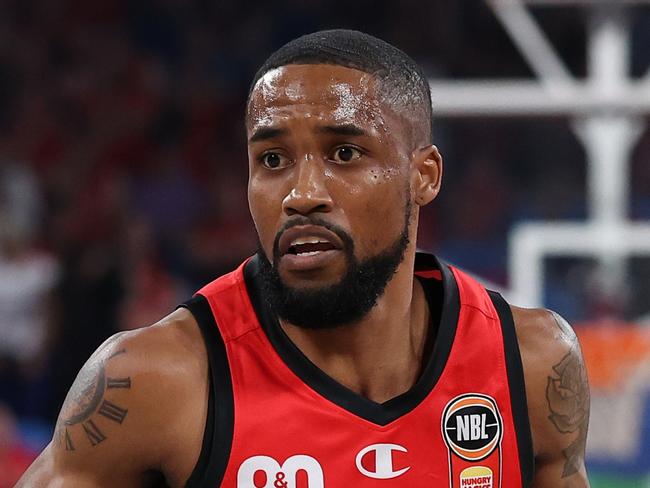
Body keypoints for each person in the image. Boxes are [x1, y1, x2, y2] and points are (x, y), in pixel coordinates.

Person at [17, 29, 590, 488]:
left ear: (424, 176)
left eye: (345, 152)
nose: (301, 193)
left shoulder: (531, 364)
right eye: (271, 160)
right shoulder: (156, 380)